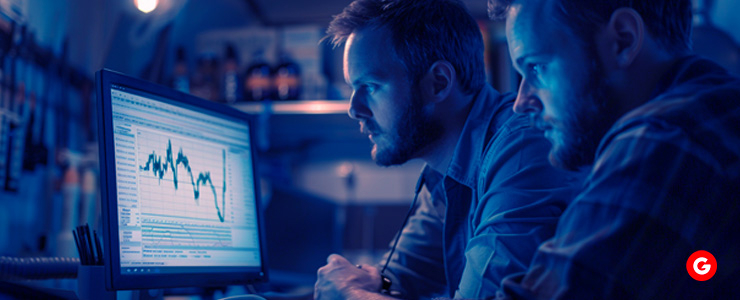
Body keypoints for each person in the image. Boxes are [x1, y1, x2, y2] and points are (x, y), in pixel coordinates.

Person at [313, 0, 583, 299]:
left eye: (371, 86)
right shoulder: (446, 175)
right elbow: (394, 278)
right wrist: (363, 287)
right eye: (353, 88)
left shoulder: (520, 147)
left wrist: (352, 295)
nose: (354, 109)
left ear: (438, 83)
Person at [487, 0, 740, 298]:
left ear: (623, 39)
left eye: (538, 67)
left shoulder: (663, 141)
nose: (521, 102)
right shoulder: (717, 109)